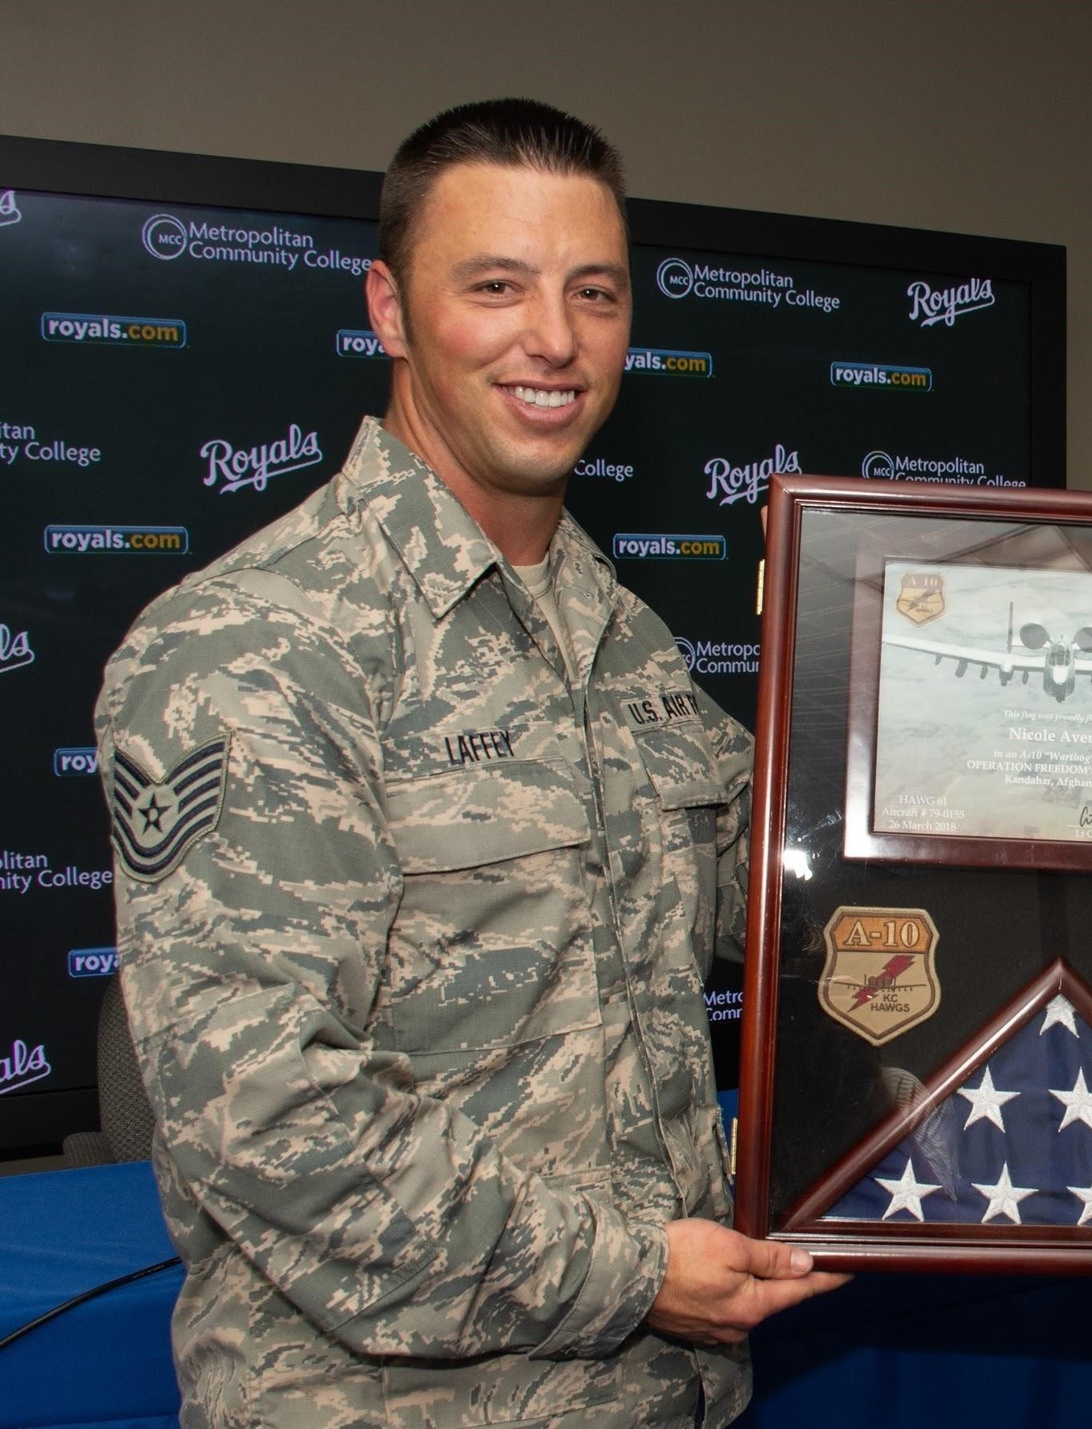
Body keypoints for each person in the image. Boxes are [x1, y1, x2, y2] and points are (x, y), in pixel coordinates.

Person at [96, 99, 843, 1429]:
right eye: (495, 287)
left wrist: (876, 676)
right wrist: (629, 1274)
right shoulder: (250, 644)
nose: (553, 339)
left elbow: (794, 906)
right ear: (389, 309)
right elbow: (265, 1116)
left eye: (592, 293)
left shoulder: (624, 637)